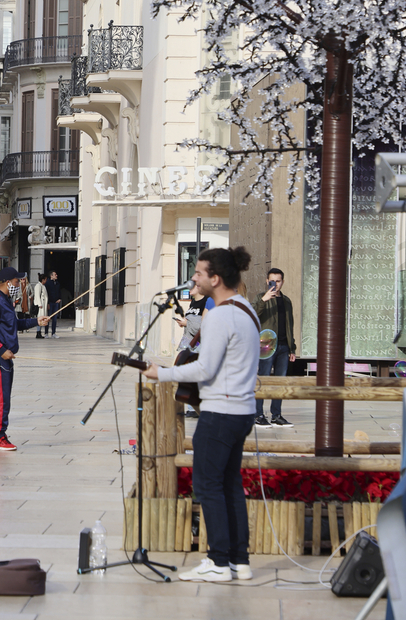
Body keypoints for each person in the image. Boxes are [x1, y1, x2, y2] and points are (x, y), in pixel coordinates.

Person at [142, 247, 259, 582]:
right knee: (230, 484)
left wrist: (160, 373)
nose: (193, 277)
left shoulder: (221, 314)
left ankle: (219, 561)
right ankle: (239, 560)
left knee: (208, 486)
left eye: (198, 272)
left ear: (215, 278)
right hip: (241, 411)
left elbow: (205, 367)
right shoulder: (246, 309)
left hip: (220, 411)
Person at [0, 267, 49, 451]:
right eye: (17, 281)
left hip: (3, 355)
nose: (19, 284)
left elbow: (15, 324)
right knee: (2, 397)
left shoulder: (6, 300)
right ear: (7, 282)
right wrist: (1, 350)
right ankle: (0, 436)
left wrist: (36, 321)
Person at [254, 267, 297, 428]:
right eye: (272, 281)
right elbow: (251, 313)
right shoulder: (261, 298)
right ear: (267, 281)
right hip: (266, 345)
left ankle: (276, 415)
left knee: (280, 382)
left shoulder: (286, 301)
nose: (275, 284)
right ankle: (258, 415)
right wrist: (264, 300)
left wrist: (292, 348)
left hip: (284, 346)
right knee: (263, 379)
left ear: (282, 282)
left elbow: (289, 325)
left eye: (278, 281)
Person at [173, 284, 214, 420]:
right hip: (189, 342)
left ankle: (196, 406)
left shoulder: (207, 301)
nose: (189, 288)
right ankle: (191, 406)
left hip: (200, 343)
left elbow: (204, 323)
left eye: (193, 286)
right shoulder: (193, 303)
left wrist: (187, 323)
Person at [30, 274, 49, 339]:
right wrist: (39, 304)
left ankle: (39, 331)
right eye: (45, 279)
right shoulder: (38, 286)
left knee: (42, 318)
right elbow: (37, 296)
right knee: (39, 318)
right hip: (40, 306)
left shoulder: (43, 286)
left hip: (43, 305)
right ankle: (38, 332)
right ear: (43, 279)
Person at [44, 270, 62, 338]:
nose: (56, 275)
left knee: (55, 319)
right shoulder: (47, 283)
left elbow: (59, 291)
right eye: (55, 274)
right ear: (51, 276)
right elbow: (46, 293)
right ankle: (46, 333)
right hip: (50, 303)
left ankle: (53, 333)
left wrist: (59, 298)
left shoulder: (57, 283)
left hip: (56, 303)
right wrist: (47, 303)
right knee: (48, 318)